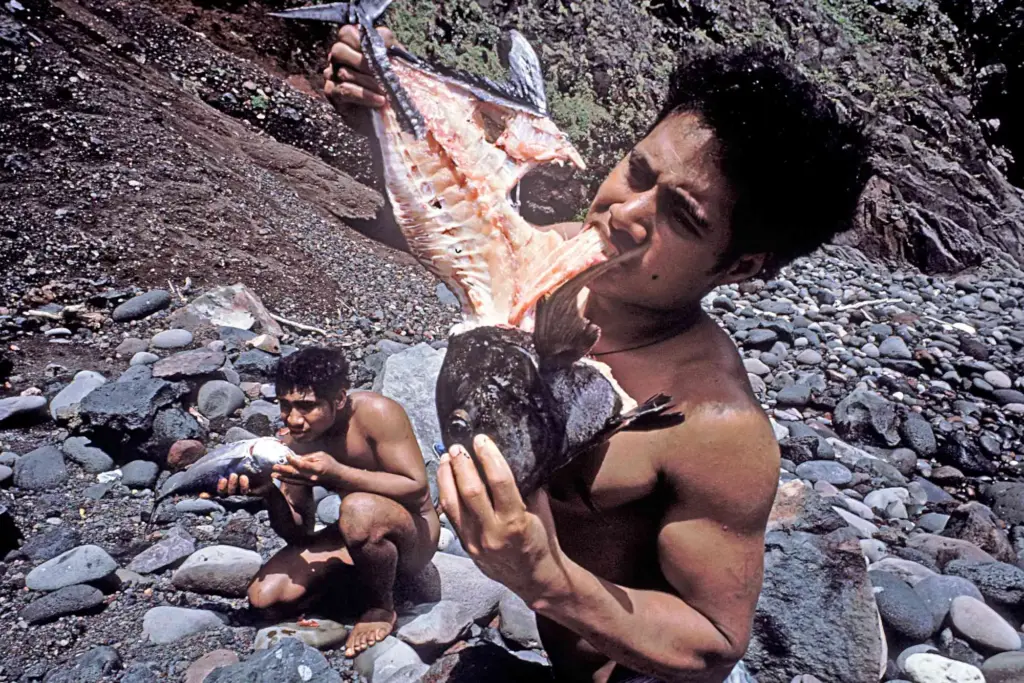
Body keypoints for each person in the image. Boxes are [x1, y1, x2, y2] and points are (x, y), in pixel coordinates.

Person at [324, 27, 870, 683]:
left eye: (682, 216)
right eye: (638, 172)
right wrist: (378, 111)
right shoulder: (546, 260)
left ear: (741, 265)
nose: (624, 212)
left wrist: (544, 578)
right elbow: (436, 221)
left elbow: (714, 645)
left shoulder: (716, 426)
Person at [216, 346, 440, 658]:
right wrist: (269, 493)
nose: (294, 419)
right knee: (265, 596)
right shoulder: (296, 442)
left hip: (413, 535)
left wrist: (337, 474)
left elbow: (416, 488)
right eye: (285, 405)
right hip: (355, 531)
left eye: (307, 407)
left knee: (358, 508)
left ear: (339, 399)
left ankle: (380, 607)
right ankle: (359, 583)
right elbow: (299, 532)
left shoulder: (377, 414)